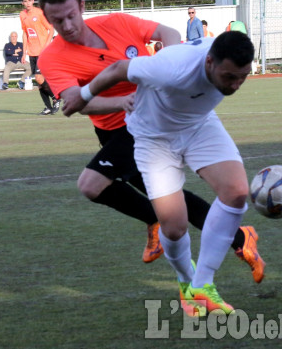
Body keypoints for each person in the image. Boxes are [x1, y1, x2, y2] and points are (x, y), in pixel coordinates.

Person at [36, 0, 265, 283]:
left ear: (81, 6)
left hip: (148, 123)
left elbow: (166, 33)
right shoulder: (52, 57)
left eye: (70, 16)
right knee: (170, 204)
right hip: (115, 128)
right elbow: (76, 104)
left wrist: (170, 61)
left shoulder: (116, 22)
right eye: (56, 21)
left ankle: (211, 239)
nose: (66, 25)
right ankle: (237, 237)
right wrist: (122, 101)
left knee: (91, 185)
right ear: (47, 19)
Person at [63, 31, 257, 316]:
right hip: (153, 138)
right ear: (209, 61)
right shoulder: (172, 69)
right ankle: (185, 280)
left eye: (243, 77)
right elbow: (119, 69)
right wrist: (83, 96)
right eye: (229, 77)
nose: (236, 84)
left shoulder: (235, 58)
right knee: (174, 226)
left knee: (237, 191)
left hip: (200, 126)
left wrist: (232, 77)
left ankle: (202, 286)